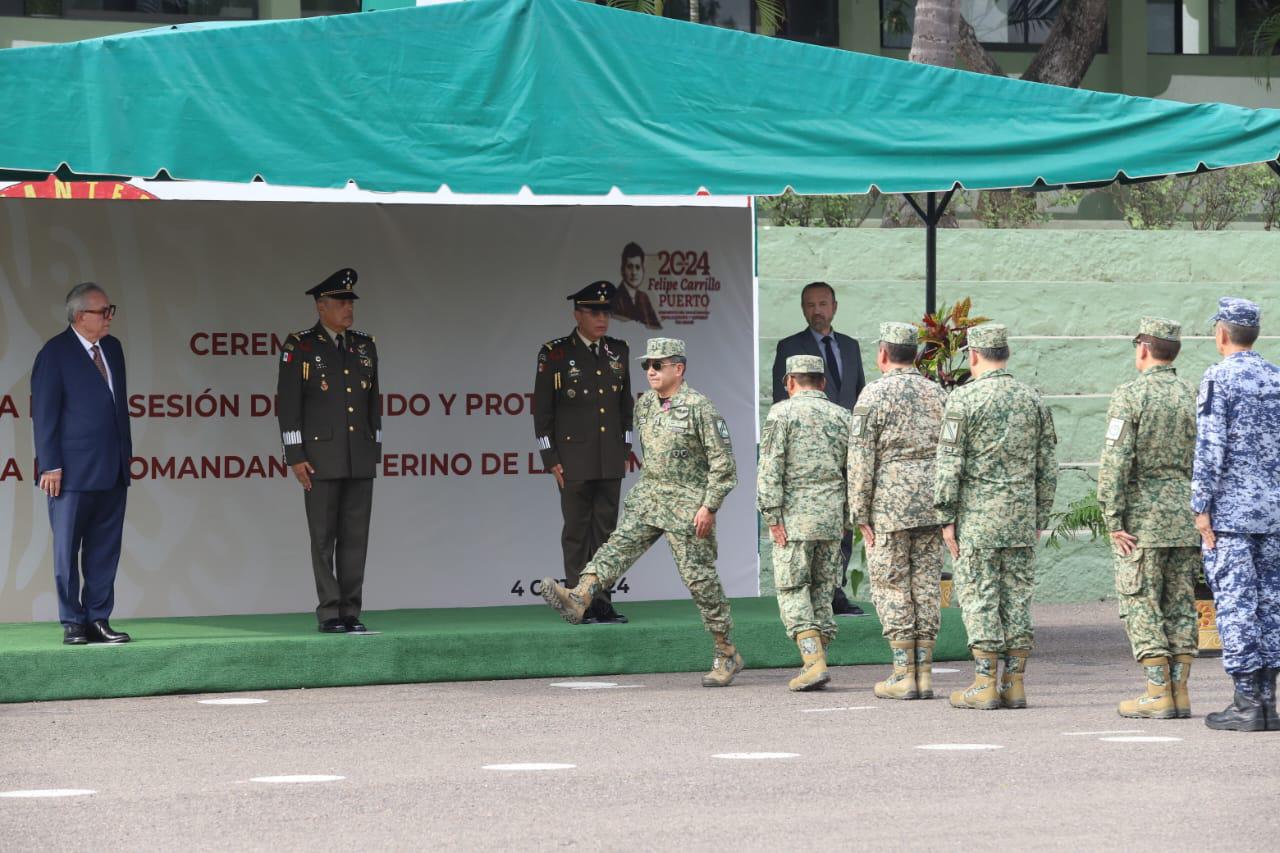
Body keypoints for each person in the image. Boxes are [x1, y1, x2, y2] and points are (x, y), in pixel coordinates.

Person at [540, 338, 743, 687]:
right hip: (650, 498)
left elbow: (724, 465)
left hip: (687, 507)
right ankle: (580, 595)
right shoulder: (646, 405)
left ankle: (726, 651)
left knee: (700, 581)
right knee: (615, 547)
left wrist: (709, 506)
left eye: (657, 365)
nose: (649, 371)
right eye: (646, 366)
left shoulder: (700, 407)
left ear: (678, 369)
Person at [934, 323, 1057, 711]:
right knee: (1017, 598)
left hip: (978, 518)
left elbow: (949, 462)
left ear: (973, 356)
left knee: (980, 596)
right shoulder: (1033, 400)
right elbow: (1048, 465)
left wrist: (945, 514)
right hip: (1021, 517)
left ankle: (985, 683)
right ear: (1005, 354)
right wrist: (1040, 514)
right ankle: (1015, 683)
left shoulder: (964, 400)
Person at [1096, 317, 1200, 720]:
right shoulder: (1192, 393)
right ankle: (1180, 691)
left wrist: (1112, 518)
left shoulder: (1130, 395)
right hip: (1185, 513)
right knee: (1180, 603)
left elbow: (1116, 462)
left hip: (1143, 519)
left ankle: (1157, 692)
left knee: (1141, 602)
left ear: (1143, 347)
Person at [277, 268, 382, 634]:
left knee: (355, 538)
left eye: (350, 302)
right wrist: (295, 456)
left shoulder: (364, 345)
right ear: (321, 307)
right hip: (320, 458)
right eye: (340, 303)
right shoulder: (301, 346)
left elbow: (372, 405)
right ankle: (330, 611)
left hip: (358, 456)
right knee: (323, 538)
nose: (347, 309)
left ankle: (351, 610)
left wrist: (374, 449)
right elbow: (288, 406)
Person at [1192, 297, 1280, 732]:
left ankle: (1246, 703)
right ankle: (1267, 703)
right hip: (1274, 515)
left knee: (1236, 604)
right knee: (1272, 606)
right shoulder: (1276, 377)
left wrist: (1200, 507)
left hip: (1232, 516)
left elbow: (1210, 447)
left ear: (1222, 333)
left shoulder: (1219, 378)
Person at [848, 322, 948, 700]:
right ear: (917, 355)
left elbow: (860, 457)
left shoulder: (872, 395)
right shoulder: (937, 394)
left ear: (883, 354)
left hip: (889, 506)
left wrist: (859, 512)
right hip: (931, 503)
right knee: (925, 585)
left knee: (891, 585)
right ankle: (924, 673)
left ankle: (902, 673)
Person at [31, 283, 134, 646]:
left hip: (112, 468)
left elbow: (117, 408)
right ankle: (73, 621)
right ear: (80, 316)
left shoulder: (113, 349)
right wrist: (50, 465)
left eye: (110, 310)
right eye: (103, 311)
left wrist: (126, 458)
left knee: (105, 548)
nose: (109, 317)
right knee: (67, 549)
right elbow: (44, 415)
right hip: (70, 473)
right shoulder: (55, 353)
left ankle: (98, 618)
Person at [533, 280, 633, 624]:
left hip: (609, 457)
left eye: (606, 312)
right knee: (577, 531)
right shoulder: (556, 353)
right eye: (594, 312)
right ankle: (577, 600)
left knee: (607, 535)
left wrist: (626, 448)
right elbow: (542, 413)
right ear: (578, 315)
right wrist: (551, 458)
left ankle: (601, 600)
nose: (602, 318)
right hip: (572, 459)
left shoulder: (618, 351)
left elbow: (625, 407)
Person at [771, 281, 866, 616]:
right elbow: (781, 399)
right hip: (808, 454)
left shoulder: (851, 346)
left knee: (843, 521)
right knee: (806, 528)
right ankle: (808, 593)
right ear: (802, 309)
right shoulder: (789, 347)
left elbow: (859, 397)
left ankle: (834, 590)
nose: (817, 310)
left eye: (823, 304)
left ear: (834, 307)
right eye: (810, 305)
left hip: (845, 449)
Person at [757, 354, 851, 691]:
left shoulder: (781, 413)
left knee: (793, 589)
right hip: (830, 519)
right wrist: (847, 517)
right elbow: (852, 472)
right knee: (823, 592)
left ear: (790, 382)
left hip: (793, 520)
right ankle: (817, 659)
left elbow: (769, 468)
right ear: (822, 382)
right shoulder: (843, 416)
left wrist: (770, 514)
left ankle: (813, 663)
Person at [611, 242, 662, 329]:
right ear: (622, 270)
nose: (634, 272)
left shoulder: (644, 297)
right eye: (630, 267)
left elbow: (656, 328)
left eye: (637, 267)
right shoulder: (615, 299)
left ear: (643, 270)